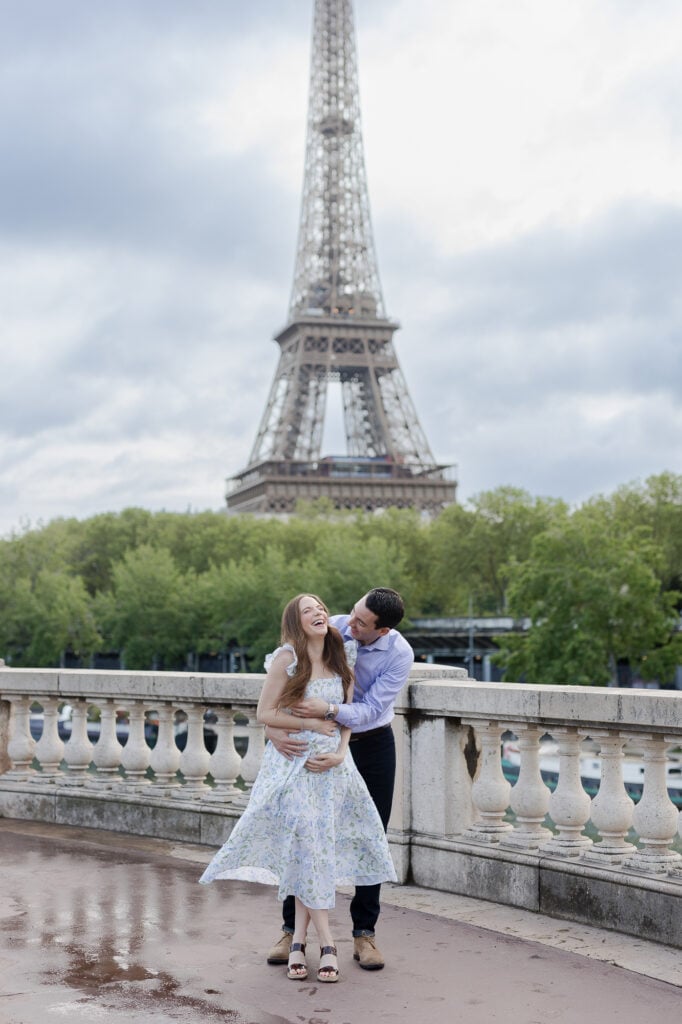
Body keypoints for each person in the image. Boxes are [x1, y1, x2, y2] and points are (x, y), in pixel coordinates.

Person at [199, 593, 396, 984]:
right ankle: (327, 944)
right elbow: (264, 713)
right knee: (308, 845)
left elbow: (348, 717)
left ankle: (297, 941)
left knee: (314, 849)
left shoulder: (342, 655)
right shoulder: (287, 658)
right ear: (296, 621)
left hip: (334, 769)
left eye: (321, 608)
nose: (319, 613)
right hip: (294, 765)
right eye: (309, 611)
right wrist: (303, 727)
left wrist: (341, 753)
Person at [265, 587, 414, 971]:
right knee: (304, 830)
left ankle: (364, 934)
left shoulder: (398, 654)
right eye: (352, 611)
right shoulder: (332, 625)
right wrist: (274, 730)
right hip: (314, 741)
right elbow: (281, 676)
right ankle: (289, 930)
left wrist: (331, 714)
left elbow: (369, 710)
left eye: (361, 622)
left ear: (380, 631)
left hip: (370, 742)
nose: (349, 622)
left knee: (370, 833)